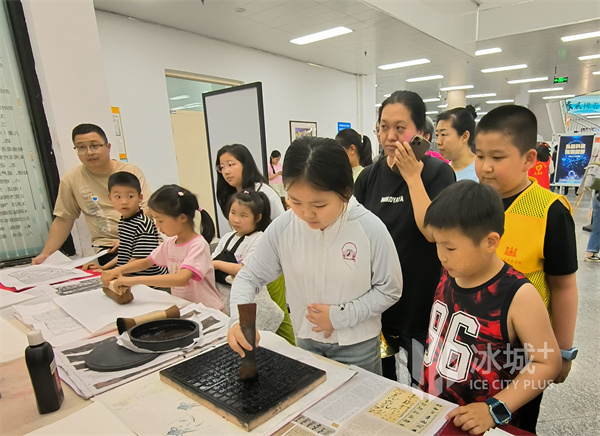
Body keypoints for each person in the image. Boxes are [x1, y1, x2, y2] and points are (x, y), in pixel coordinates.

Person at [227, 136, 403, 374]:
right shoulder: (284, 227)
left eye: (319, 205)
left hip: (357, 345)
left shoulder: (369, 228)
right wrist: (238, 320)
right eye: (295, 201)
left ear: (345, 192)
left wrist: (340, 316)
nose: (307, 214)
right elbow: (249, 277)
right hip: (306, 340)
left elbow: (390, 289)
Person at [421, 180, 561, 435]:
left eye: (450, 247)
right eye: (437, 244)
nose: (441, 255)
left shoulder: (518, 295)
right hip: (438, 411)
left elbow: (547, 363)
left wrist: (493, 409)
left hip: (485, 424)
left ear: (490, 242)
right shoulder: (450, 272)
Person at [475, 105, 578, 433]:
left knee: (513, 425)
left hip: (523, 354)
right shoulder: (473, 205)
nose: (485, 167)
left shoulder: (550, 212)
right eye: (479, 155)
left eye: (497, 157)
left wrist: (562, 351)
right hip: (473, 346)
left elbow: (563, 286)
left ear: (529, 159)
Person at [354, 90, 455, 385]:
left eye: (400, 128)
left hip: (421, 302)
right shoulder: (369, 176)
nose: (390, 136)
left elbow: (433, 232)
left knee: (422, 384)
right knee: (382, 382)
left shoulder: (438, 173)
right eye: (383, 127)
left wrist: (412, 176)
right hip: (379, 302)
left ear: (420, 132)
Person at [32, 123, 151, 266]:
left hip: (141, 240)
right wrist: (46, 254)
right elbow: (64, 219)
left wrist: (128, 238)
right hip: (109, 248)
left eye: (94, 146)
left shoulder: (130, 172)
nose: (89, 152)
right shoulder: (71, 179)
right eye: (81, 147)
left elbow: (147, 209)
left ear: (108, 147)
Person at [216, 143, 294, 344]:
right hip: (249, 263)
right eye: (221, 166)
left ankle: (293, 351)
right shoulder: (234, 194)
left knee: (277, 313)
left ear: (245, 164)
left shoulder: (264, 192)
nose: (226, 171)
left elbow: (283, 227)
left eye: (231, 164)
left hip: (271, 262)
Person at [101, 185, 223, 310]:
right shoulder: (170, 243)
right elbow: (147, 262)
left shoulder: (198, 245)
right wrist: (119, 270)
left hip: (208, 309)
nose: (157, 226)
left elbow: (181, 278)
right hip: (186, 307)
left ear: (182, 218)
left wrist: (134, 280)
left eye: (160, 221)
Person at [212, 190, 284, 332]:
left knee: (253, 333)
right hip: (226, 297)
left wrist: (217, 264)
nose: (236, 220)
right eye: (233, 213)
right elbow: (211, 260)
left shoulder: (259, 239)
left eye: (243, 216)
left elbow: (246, 270)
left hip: (252, 299)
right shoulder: (227, 237)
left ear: (258, 217)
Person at [83, 172, 166, 277]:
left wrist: (115, 272)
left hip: (149, 279)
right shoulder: (124, 221)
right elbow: (124, 254)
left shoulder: (143, 224)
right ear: (110, 198)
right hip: (130, 275)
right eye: (118, 197)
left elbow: (139, 260)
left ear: (140, 198)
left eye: (130, 196)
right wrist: (104, 267)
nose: (124, 202)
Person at [436, 106, 478, 181]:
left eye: (443, 134)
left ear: (465, 136)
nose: (438, 142)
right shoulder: (442, 173)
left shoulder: (481, 172)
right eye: (437, 135)